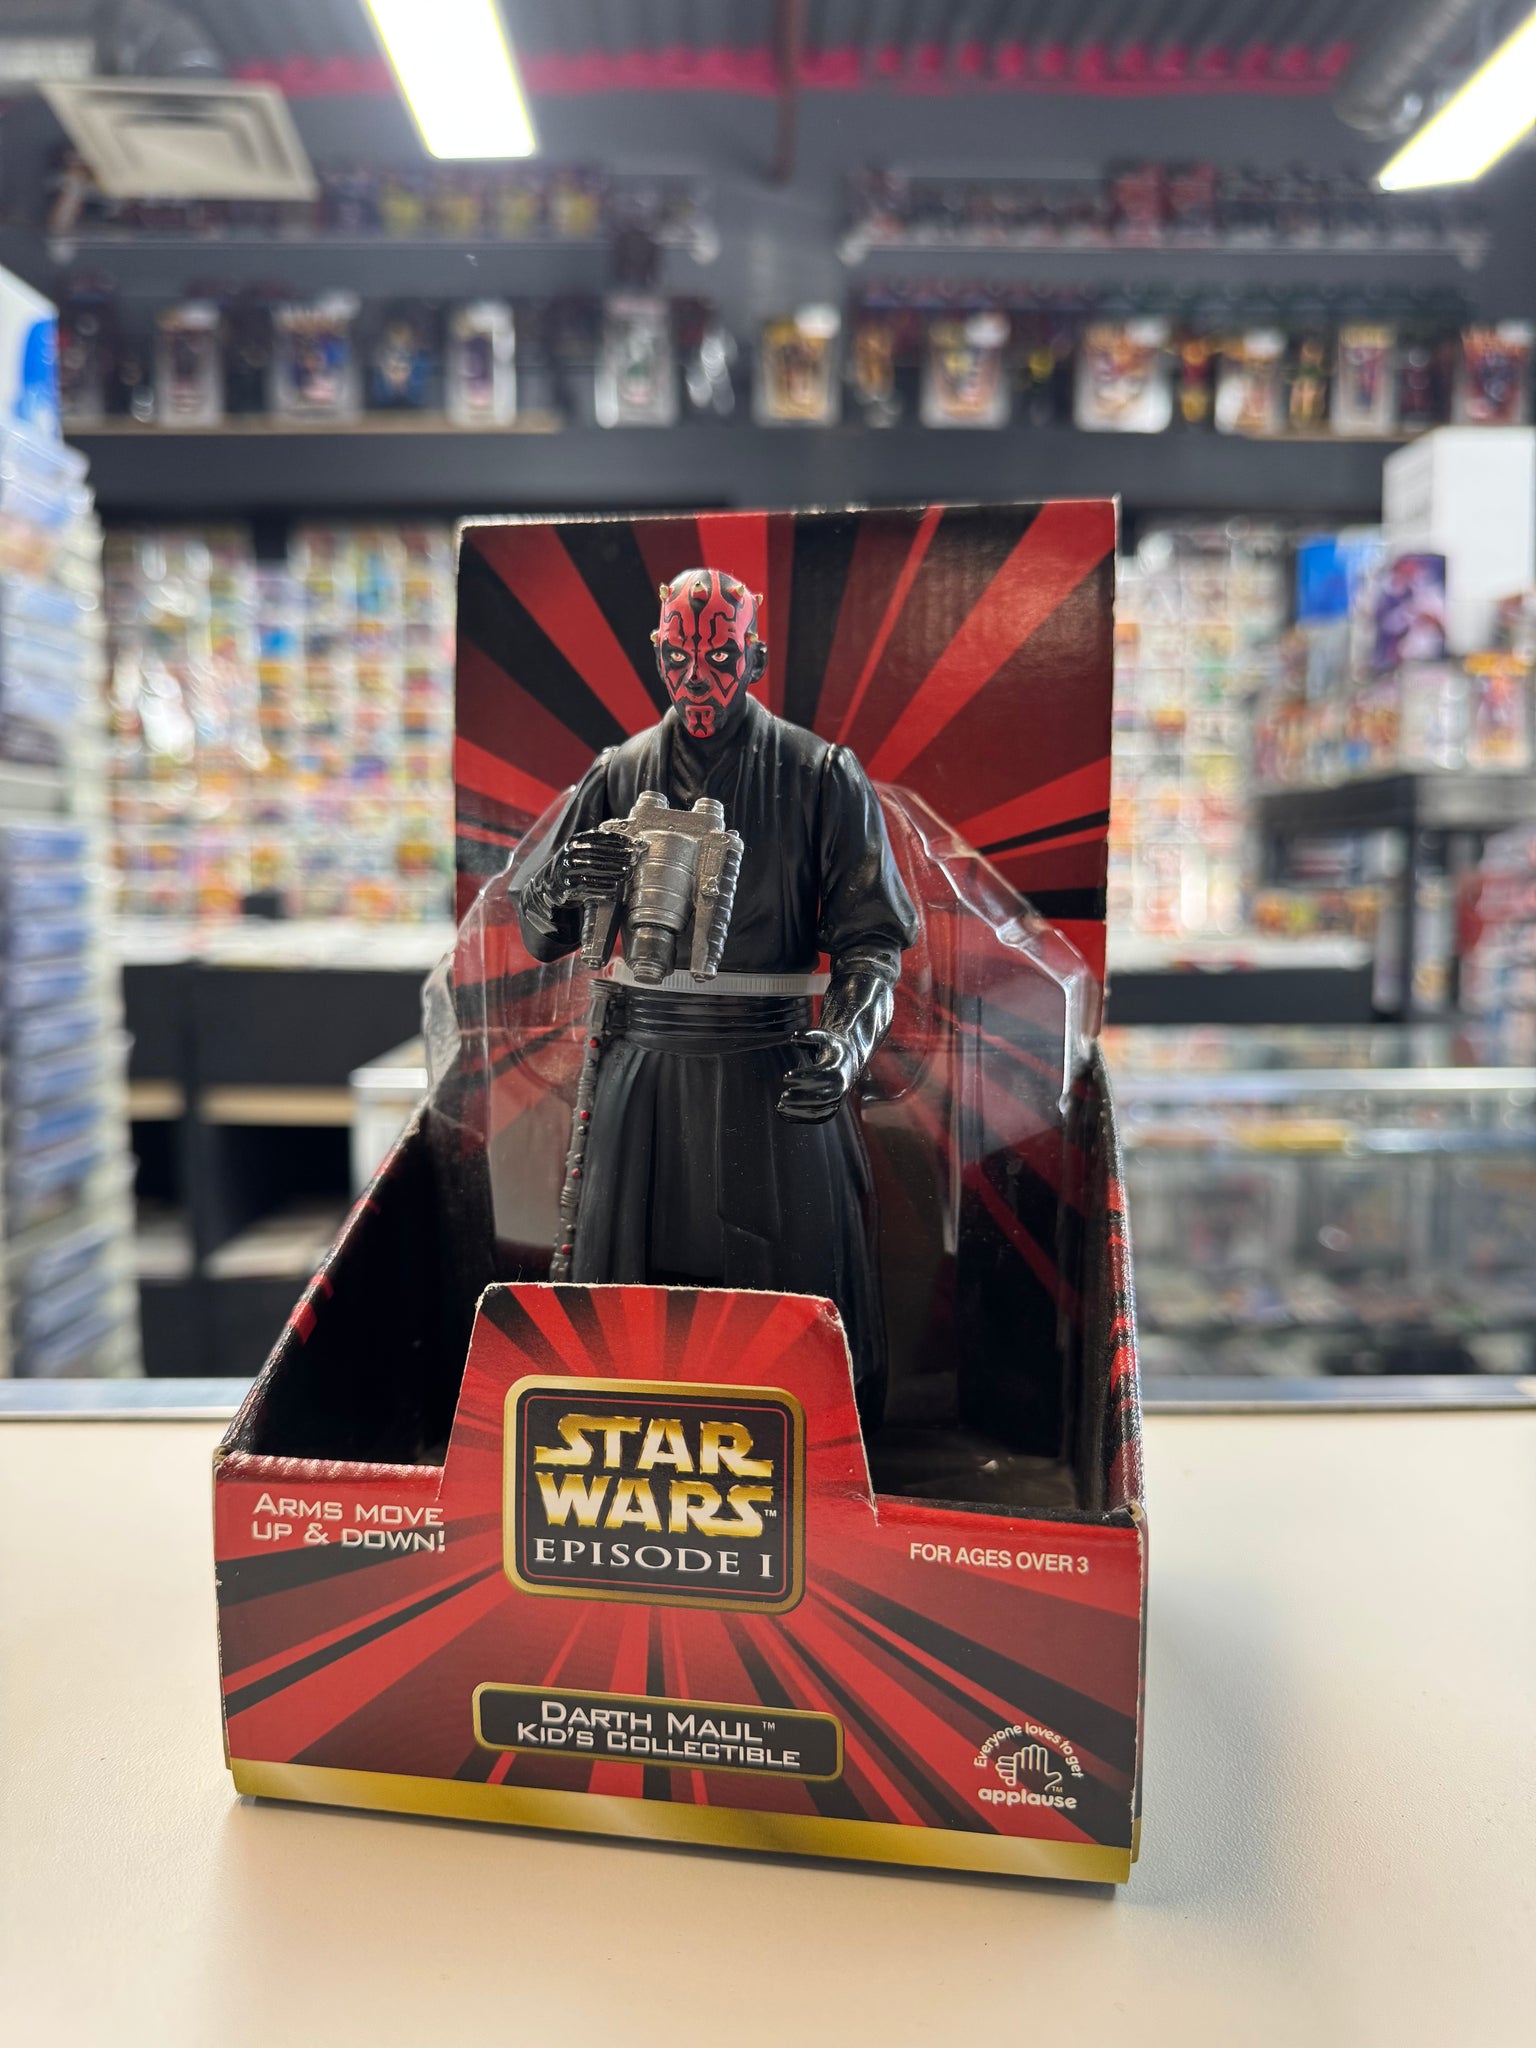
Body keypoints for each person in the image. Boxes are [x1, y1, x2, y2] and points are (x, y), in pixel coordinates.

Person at [513, 567, 918, 1415]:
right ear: (657, 654)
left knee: (793, 1314)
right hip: (641, 1070)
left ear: (755, 658)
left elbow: (873, 940)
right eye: (680, 659)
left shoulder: (820, 774)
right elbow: (541, 930)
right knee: (628, 1313)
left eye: (721, 658)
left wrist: (845, 1045)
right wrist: (566, 880)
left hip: (775, 1070)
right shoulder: (619, 773)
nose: (698, 680)